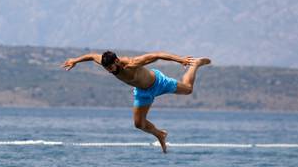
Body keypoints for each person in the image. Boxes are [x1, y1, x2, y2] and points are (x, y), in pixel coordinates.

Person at [62, 51, 211, 153]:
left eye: (111, 67)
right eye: (106, 68)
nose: (109, 71)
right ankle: (160, 134)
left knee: (188, 89)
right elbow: (90, 55)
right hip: (142, 92)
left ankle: (194, 65)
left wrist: (180, 60)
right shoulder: (104, 62)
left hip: (159, 83)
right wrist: (75, 60)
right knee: (139, 124)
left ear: (117, 61)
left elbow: (157, 55)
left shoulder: (132, 63)